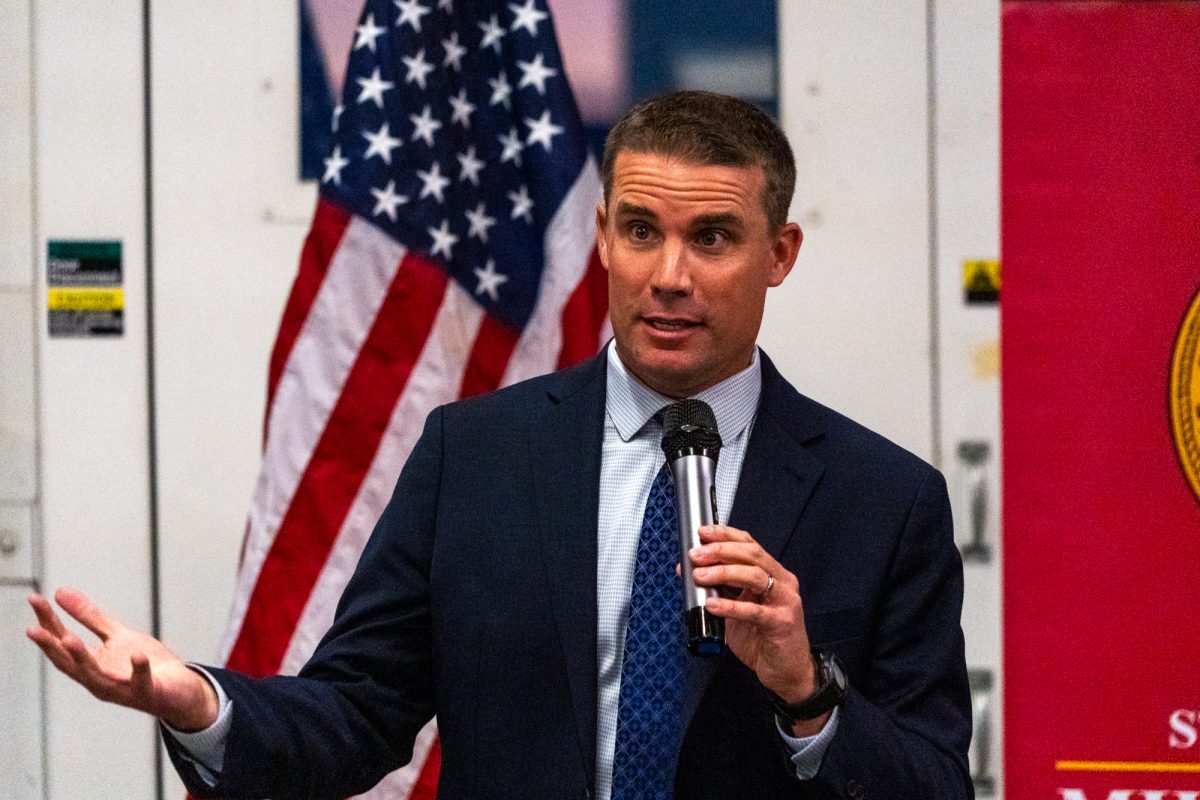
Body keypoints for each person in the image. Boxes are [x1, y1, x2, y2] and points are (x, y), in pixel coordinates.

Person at [28, 91, 972, 799]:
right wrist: (200, 701)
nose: (670, 276)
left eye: (713, 238)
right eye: (640, 231)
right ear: (602, 236)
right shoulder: (474, 458)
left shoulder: (885, 500)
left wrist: (808, 694)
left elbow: (932, 782)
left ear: (782, 253)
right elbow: (359, 711)